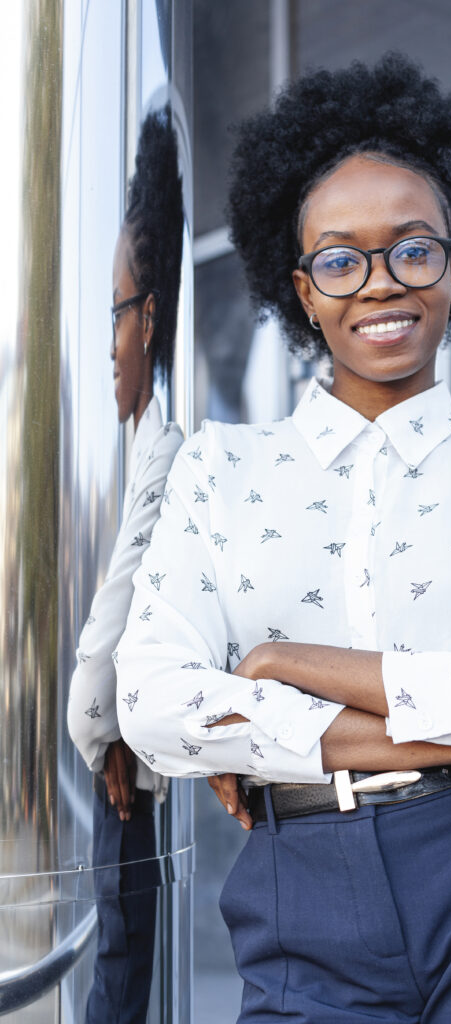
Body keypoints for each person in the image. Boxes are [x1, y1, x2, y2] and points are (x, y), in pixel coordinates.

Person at [117, 55, 451, 1023]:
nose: (379, 283)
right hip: (300, 889)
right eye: (340, 258)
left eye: (413, 249)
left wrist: (283, 668)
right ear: (302, 287)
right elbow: (152, 701)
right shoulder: (219, 471)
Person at [67, 104, 184, 1024]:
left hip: (128, 772)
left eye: (111, 316)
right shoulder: (144, 439)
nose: (106, 347)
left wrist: (97, 724)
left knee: (117, 972)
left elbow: (125, 596)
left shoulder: (169, 444)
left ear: (146, 318)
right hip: (126, 760)